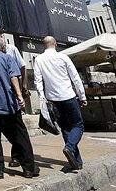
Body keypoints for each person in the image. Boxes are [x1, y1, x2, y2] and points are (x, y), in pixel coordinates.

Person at [0, 37, 39, 179]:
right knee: (21, 137)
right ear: (3, 47)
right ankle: (28, 169)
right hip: (10, 107)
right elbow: (14, 78)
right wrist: (19, 96)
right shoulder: (8, 59)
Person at [34, 36, 87, 170]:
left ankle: (76, 162)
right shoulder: (63, 57)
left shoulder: (39, 60)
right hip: (68, 96)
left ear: (43, 45)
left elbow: (38, 81)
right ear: (55, 44)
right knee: (78, 126)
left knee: (66, 128)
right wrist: (82, 96)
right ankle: (69, 147)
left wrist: (42, 99)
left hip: (53, 100)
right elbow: (75, 78)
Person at [0, 28, 27, 168]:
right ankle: (18, 156)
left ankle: (17, 157)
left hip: (14, 94)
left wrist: (22, 88)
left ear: (1, 36)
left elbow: (21, 68)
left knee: (17, 127)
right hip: (1, 98)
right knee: (8, 128)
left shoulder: (12, 50)